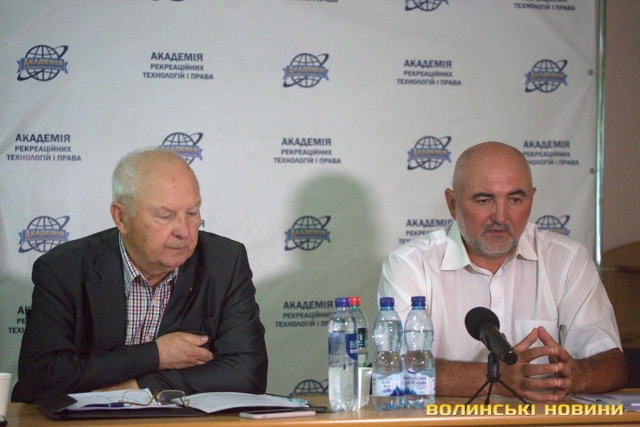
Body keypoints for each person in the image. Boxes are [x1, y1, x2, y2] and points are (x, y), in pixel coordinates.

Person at [12, 148, 268, 403]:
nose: (184, 231)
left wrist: (141, 387)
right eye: (165, 216)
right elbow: (41, 374)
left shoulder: (224, 261)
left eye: (192, 213)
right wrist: (155, 355)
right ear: (121, 217)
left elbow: (248, 372)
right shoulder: (64, 268)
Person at [378, 141, 627, 402]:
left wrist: (576, 374)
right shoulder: (410, 264)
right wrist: (498, 378)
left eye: (515, 200)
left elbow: (613, 365)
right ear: (452, 204)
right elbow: (395, 367)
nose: (500, 216)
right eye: (484, 200)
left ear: (531, 198)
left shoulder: (567, 259)